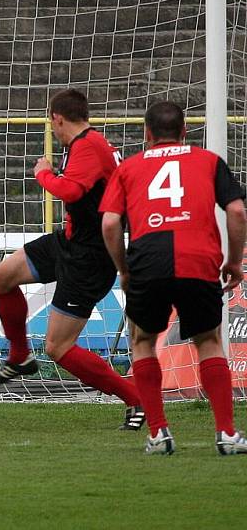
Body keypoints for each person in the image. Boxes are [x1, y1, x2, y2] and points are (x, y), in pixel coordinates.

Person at [0, 88, 145, 429]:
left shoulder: (88, 145)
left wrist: (43, 173)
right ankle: (19, 356)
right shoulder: (85, 145)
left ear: (58, 119)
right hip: (69, 242)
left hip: (90, 258)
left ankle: (135, 398)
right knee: (0, 276)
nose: (53, 130)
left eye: (52, 123)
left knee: (58, 347)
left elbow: (71, 191)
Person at [100, 101, 247, 455]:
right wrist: (234, 262)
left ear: (147, 135)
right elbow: (238, 210)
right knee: (209, 341)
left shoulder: (130, 167)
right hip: (198, 259)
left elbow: (108, 223)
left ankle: (159, 434)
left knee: (143, 342)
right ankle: (226, 434)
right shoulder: (208, 161)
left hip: (147, 261)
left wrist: (123, 269)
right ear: (184, 132)